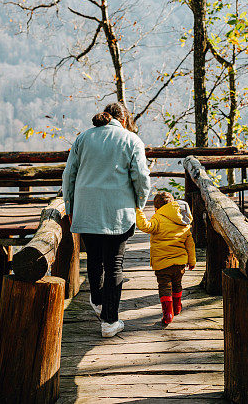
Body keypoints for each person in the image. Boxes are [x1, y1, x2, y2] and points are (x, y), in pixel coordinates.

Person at [62, 102, 151, 338]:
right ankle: (109, 321)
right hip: (117, 212)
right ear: (123, 120)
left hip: (87, 209)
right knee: (114, 264)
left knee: (94, 258)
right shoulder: (131, 140)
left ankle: (98, 300)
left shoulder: (82, 139)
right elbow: (141, 177)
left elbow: (69, 174)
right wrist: (139, 204)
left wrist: (70, 205)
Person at [135, 191, 196, 325]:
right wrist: (192, 261)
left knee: (164, 287)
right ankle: (177, 307)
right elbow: (190, 243)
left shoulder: (158, 218)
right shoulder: (183, 219)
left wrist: (138, 210)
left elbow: (145, 226)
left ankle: (168, 313)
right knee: (177, 284)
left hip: (162, 263)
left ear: (157, 208)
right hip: (180, 263)